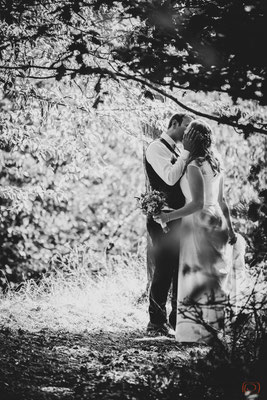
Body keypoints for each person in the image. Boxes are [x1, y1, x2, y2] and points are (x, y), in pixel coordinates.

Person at [155, 119, 237, 343]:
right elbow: (222, 200)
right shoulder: (217, 162)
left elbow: (197, 204)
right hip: (217, 223)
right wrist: (230, 230)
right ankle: (213, 331)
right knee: (211, 277)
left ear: (192, 140)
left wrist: (167, 216)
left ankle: (194, 333)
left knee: (195, 276)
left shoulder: (193, 166)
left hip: (199, 225)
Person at [145, 112, 195, 336]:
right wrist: (185, 155)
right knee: (164, 269)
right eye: (186, 126)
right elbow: (170, 178)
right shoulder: (156, 148)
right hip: (162, 219)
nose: (188, 132)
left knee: (177, 270)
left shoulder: (176, 150)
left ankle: (177, 321)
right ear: (174, 124)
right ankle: (156, 322)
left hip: (178, 218)